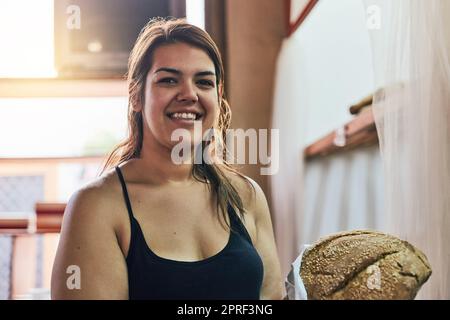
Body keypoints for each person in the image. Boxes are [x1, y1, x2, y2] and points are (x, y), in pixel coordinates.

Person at [51, 18, 284, 300]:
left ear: (218, 95)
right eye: (169, 80)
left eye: (204, 82)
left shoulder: (247, 195)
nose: (189, 94)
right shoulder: (96, 206)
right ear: (137, 96)